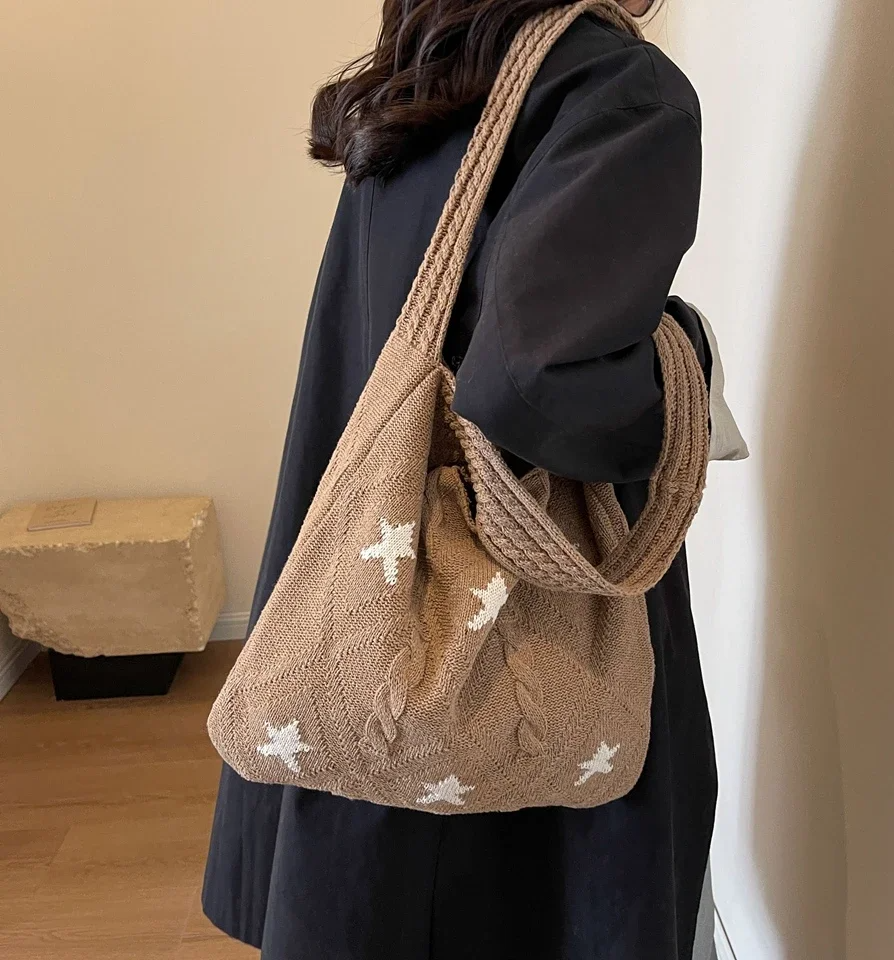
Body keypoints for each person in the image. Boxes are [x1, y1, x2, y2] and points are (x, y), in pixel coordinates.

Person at [202, 2, 717, 958]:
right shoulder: (613, 86)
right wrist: (688, 355)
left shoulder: (426, 80)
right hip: (516, 626)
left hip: (370, 605)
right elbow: (532, 382)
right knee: (533, 900)